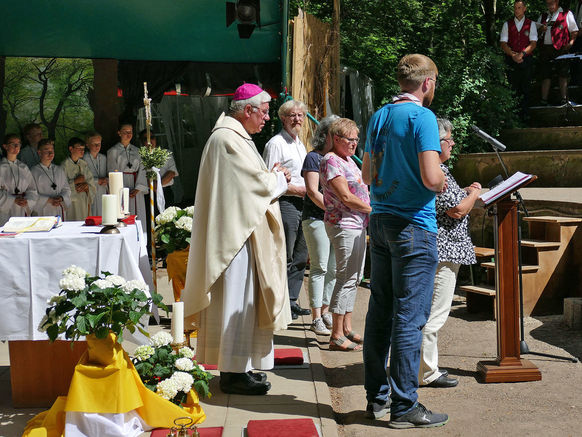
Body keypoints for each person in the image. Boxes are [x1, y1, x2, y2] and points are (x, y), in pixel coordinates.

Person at [182, 83, 291, 396]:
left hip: (244, 234)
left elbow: (250, 182)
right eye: (265, 111)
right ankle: (231, 373)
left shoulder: (235, 137)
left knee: (245, 301)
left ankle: (240, 367)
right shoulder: (227, 139)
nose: (267, 118)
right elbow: (251, 187)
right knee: (236, 301)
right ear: (248, 110)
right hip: (234, 241)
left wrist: (270, 177)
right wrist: (278, 179)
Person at [361, 54, 448, 428]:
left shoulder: (379, 115)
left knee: (380, 313)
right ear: (426, 83)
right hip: (414, 226)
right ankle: (404, 406)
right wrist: (443, 176)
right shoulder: (423, 118)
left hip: (379, 220)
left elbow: (366, 174)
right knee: (410, 319)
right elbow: (431, 179)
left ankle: (377, 399)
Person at [419, 118, 481, 389]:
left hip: (445, 249)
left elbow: (452, 202)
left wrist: (465, 192)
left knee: (431, 312)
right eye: (449, 140)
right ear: (436, 143)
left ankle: (423, 368)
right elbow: (456, 210)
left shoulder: (439, 168)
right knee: (435, 314)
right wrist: (475, 193)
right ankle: (426, 372)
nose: (453, 143)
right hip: (444, 251)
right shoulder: (437, 171)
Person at [320, 118, 370, 351]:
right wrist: (375, 210)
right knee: (345, 278)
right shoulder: (331, 160)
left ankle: (346, 328)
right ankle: (336, 335)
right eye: (350, 139)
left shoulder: (347, 159)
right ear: (336, 139)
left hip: (357, 224)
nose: (354, 144)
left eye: (356, 139)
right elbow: (346, 197)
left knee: (354, 277)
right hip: (343, 224)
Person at [263, 100, 310, 320]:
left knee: (301, 255)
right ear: (283, 118)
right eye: (292, 115)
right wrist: (297, 190)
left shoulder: (300, 143)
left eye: (300, 115)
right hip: (288, 203)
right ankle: (280, 304)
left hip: (305, 202)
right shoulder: (276, 144)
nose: (297, 119)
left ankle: (292, 300)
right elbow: (271, 180)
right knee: (286, 254)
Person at [301, 115, 339, 336]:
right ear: (327, 135)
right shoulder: (313, 158)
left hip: (335, 220)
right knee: (319, 267)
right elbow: (313, 192)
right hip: (316, 218)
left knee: (333, 269)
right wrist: (335, 209)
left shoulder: (339, 159)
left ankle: (325, 311)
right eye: (338, 134)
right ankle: (315, 318)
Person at [536, 0, 579, 105]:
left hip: (561, 49)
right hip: (545, 49)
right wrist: (541, 30)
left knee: (563, 73)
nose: (549, 5)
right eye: (547, 3)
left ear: (557, 2)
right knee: (545, 73)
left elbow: (574, 30)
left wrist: (571, 43)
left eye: (551, 2)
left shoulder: (566, 13)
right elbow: (535, 34)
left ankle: (564, 99)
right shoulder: (543, 16)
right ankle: (544, 100)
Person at [500, 1, 538, 118]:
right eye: (515, 8)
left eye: (519, 8)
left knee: (525, 87)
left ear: (524, 9)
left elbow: (533, 43)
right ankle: (514, 116)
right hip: (511, 60)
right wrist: (513, 55)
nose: (517, 10)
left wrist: (521, 54)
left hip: (526, 60)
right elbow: (503, 43)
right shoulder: (507, 24)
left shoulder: (530, 24)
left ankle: (525, 115)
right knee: (513, 87)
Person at [107, 123, 147, 221]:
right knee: (123, 210)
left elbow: (143, 169)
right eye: (125, 132)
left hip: (136, 183)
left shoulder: (138, 151)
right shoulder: (113, 151)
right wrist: (121, 188)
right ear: (119, 133)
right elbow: (113, 172)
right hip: (121, 183)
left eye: (130, 132)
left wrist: (138, 188)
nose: (128, 134)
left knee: (138, 213)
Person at [0, 134, 38, 225]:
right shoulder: (1, 168)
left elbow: (32, 189)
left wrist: (27, 200)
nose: (16, 146)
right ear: (5, 146)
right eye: (13, 144)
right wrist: (13, 200)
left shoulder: (24, 167)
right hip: (6, 210)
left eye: (19, 144)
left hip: (22, 208)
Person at [30, 139, 71, 218]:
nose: (50, 153)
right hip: (43, 210)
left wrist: (61, 198)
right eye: (46, 150)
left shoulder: (59, 170)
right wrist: (49, 200)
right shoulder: (33, 171)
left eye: (52, 150)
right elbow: (31, 194)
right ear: (39, 152)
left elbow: (67, 189)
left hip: (58, 208)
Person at [138, 129, 179, 207]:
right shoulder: (139, 157)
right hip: (148, 194)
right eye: (146, 139)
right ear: (142, 141)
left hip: (165, 191)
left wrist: (158, 186)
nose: (150, 141)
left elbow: (172, 173)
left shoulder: (166, 153)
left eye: (152, 137)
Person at [62, 137, 95, 221]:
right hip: (73, 204)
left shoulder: (84, 164)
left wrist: (87, 187)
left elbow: (91, 183)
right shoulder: (64, 165)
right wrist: (75, 182)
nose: (82, 151)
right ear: (71, 149)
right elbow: (61, 188)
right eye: (79, 148)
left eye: (83, 149)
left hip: (84, 200)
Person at [82, 132, 108, 216]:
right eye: (94, 144)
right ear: (87, 145)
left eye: (99, 144)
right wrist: (97, 180)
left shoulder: (104, 158)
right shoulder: (83, 159)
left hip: (103, 190)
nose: (97, 146)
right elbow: (83, 177)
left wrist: (106, 180)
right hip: (90, 191)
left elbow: (110, 173)